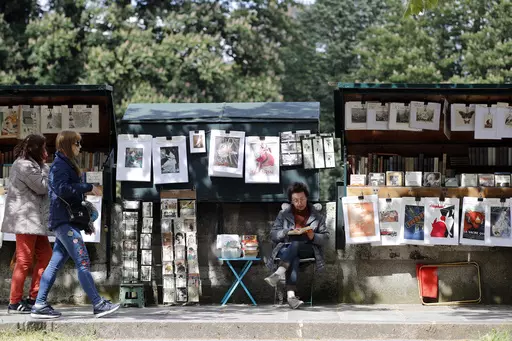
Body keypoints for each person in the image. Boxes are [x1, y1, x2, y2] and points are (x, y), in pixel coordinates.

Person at [31, 130, 120, 319]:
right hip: (64, 222)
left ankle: (39, 304)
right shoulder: (59, 166)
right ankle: (98, 303)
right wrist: (87, 187)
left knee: (54, 265)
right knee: (83, 261)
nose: (80, 147)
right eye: (77, 143)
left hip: (66, 221)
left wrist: (86, 221)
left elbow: (70, 195)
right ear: (67, 145)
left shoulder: (65, 164)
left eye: (80, 143)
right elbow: (62, 189)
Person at [0, 134, 51, 313]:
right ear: (36, 149)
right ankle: (14, 302)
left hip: (34, 220)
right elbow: (43, 187)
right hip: (25, 219)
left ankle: (34, 297)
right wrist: (47, 168)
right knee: (24, 260)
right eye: (43, 148)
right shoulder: (24, 165)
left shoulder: (31, 164)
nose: (46, 152)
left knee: (45, 256)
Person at [264, 182, 329, 309]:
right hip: (285, 248)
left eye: (302, 199)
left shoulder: (317, 216)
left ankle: (278, 273)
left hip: (308, 248)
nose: (299, 203)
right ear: (291, 201)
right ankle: (291, 297)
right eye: (295, 200)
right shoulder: (283, 214)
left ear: (307, 198)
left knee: (296, 246)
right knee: (294, 255)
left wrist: (313, 236)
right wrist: (286, 232)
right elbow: (273, 234)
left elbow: (326, 238)